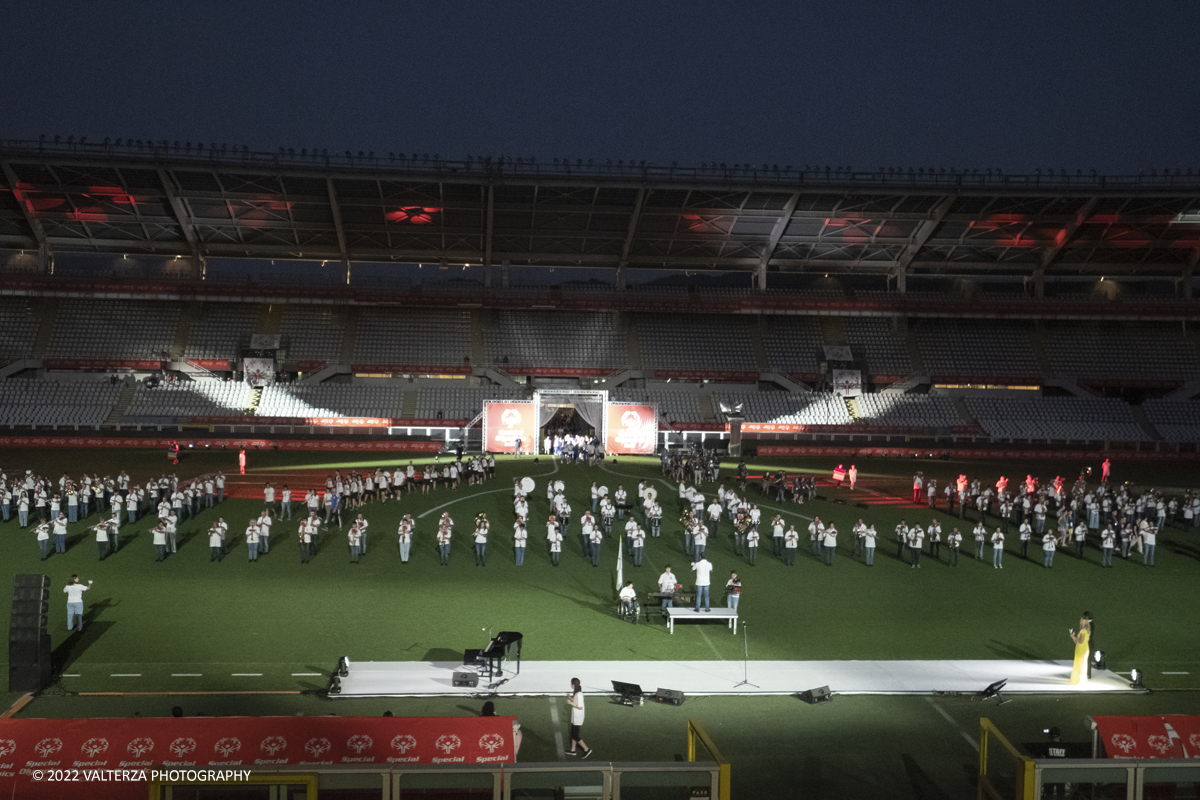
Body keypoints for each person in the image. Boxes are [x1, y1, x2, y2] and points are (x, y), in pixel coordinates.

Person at [565, 678, 592, 758]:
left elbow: (580, 707)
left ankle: (586, 749)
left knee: (575, 735)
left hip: (578, 717)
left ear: (573, 685)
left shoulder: (579, 694)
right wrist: (570, 697)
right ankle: (573, 750)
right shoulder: (577, 693)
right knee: (573, 733)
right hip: (575, 716)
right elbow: (576, 701)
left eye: (571, 684)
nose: (571, 685)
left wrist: (570, 703)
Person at [1069, 615, 1091, 684]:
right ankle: (1080, 679)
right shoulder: (1087, 631)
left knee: (1081, 664)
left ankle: (1080, 680)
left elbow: (1080, 641)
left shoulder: (1083, 631)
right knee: (1082, 663)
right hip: (1082, 649)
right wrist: (1073, 637)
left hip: (1082, 650)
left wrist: (1075, 637)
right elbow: (1077, 641)